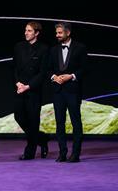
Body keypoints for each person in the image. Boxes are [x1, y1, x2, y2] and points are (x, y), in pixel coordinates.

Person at [49, 22, 87, 163]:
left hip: (73, 90)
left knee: (76, 122)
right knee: (60, 123)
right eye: (56, 33)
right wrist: (54, 77)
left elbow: (84, 69)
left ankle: (75, 154)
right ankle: (62, 153)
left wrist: (71, 76)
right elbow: (48, 69)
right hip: (58, 91)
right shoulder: (53, 50)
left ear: (68, 33)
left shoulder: (80, 48)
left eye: (60, 33)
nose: (57, 35)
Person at [13, 21, 50, 160]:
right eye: (25, 30)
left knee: (33, 120)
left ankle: (30, 152)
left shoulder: (44, 49)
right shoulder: (18, 47)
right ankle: (41, 139)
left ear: (37, 33)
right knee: (19, 117)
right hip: (19, 88)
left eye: (29, 31)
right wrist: (17, 83)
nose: (25, 33)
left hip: (33, 89)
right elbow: (14, 67)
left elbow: (42, 72)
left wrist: (28, 86)